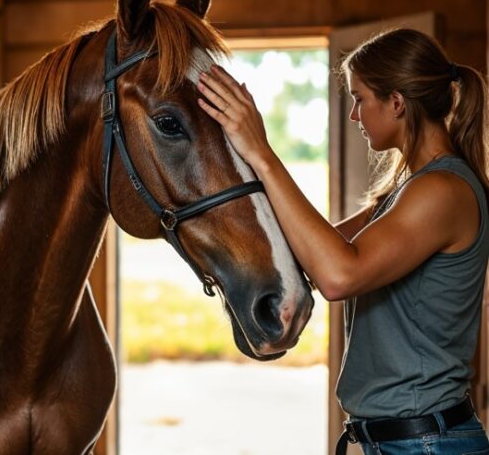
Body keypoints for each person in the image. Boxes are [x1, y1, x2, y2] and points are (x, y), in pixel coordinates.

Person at [197, 28, 489, 455]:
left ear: (396, 103)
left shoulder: (441, 192)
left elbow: (337, 276)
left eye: (360, 98)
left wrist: (262, 153)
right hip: (402, 442)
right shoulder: (404, 192)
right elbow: (315, 255)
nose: (354, 115)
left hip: (427, 444)